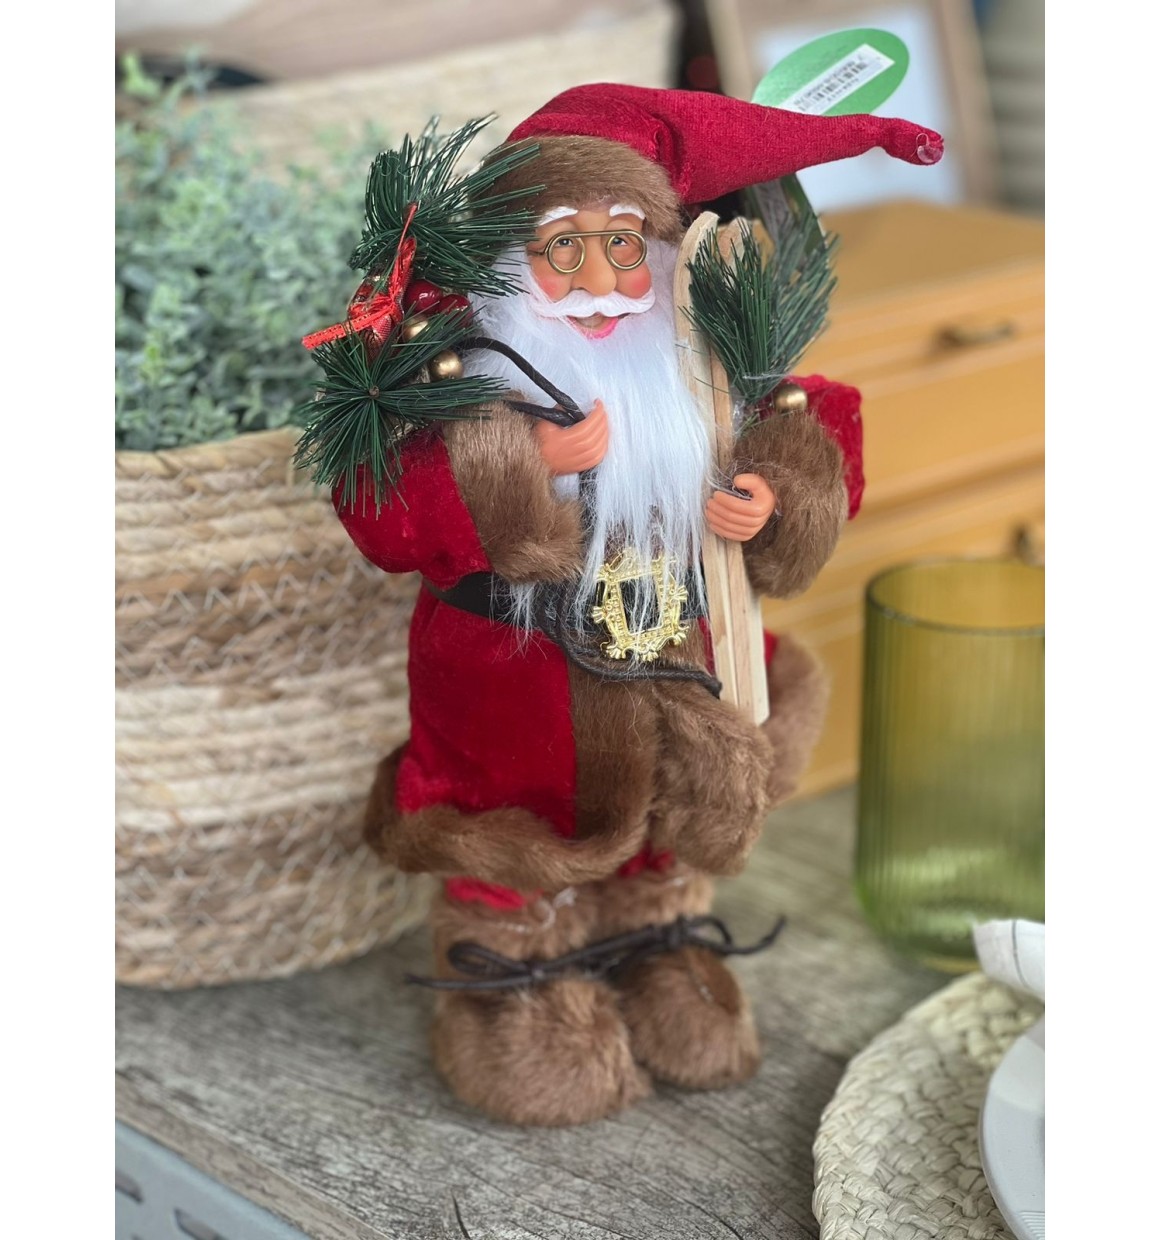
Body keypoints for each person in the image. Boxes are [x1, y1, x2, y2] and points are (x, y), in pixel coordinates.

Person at [335, 85, 942, 1125]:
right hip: (510, 679)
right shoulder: (449, 370)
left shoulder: (703, 355)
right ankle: (510, 969)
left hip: (675, 646)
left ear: (663, 253)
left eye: (623, 246)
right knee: (515, 823)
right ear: (507, 257)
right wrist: (516, 462)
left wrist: (774, 493)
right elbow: (381, 511)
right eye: (561, 250)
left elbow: (813, 424)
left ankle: (653, 932)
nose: (597, 283)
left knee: (671, 807)